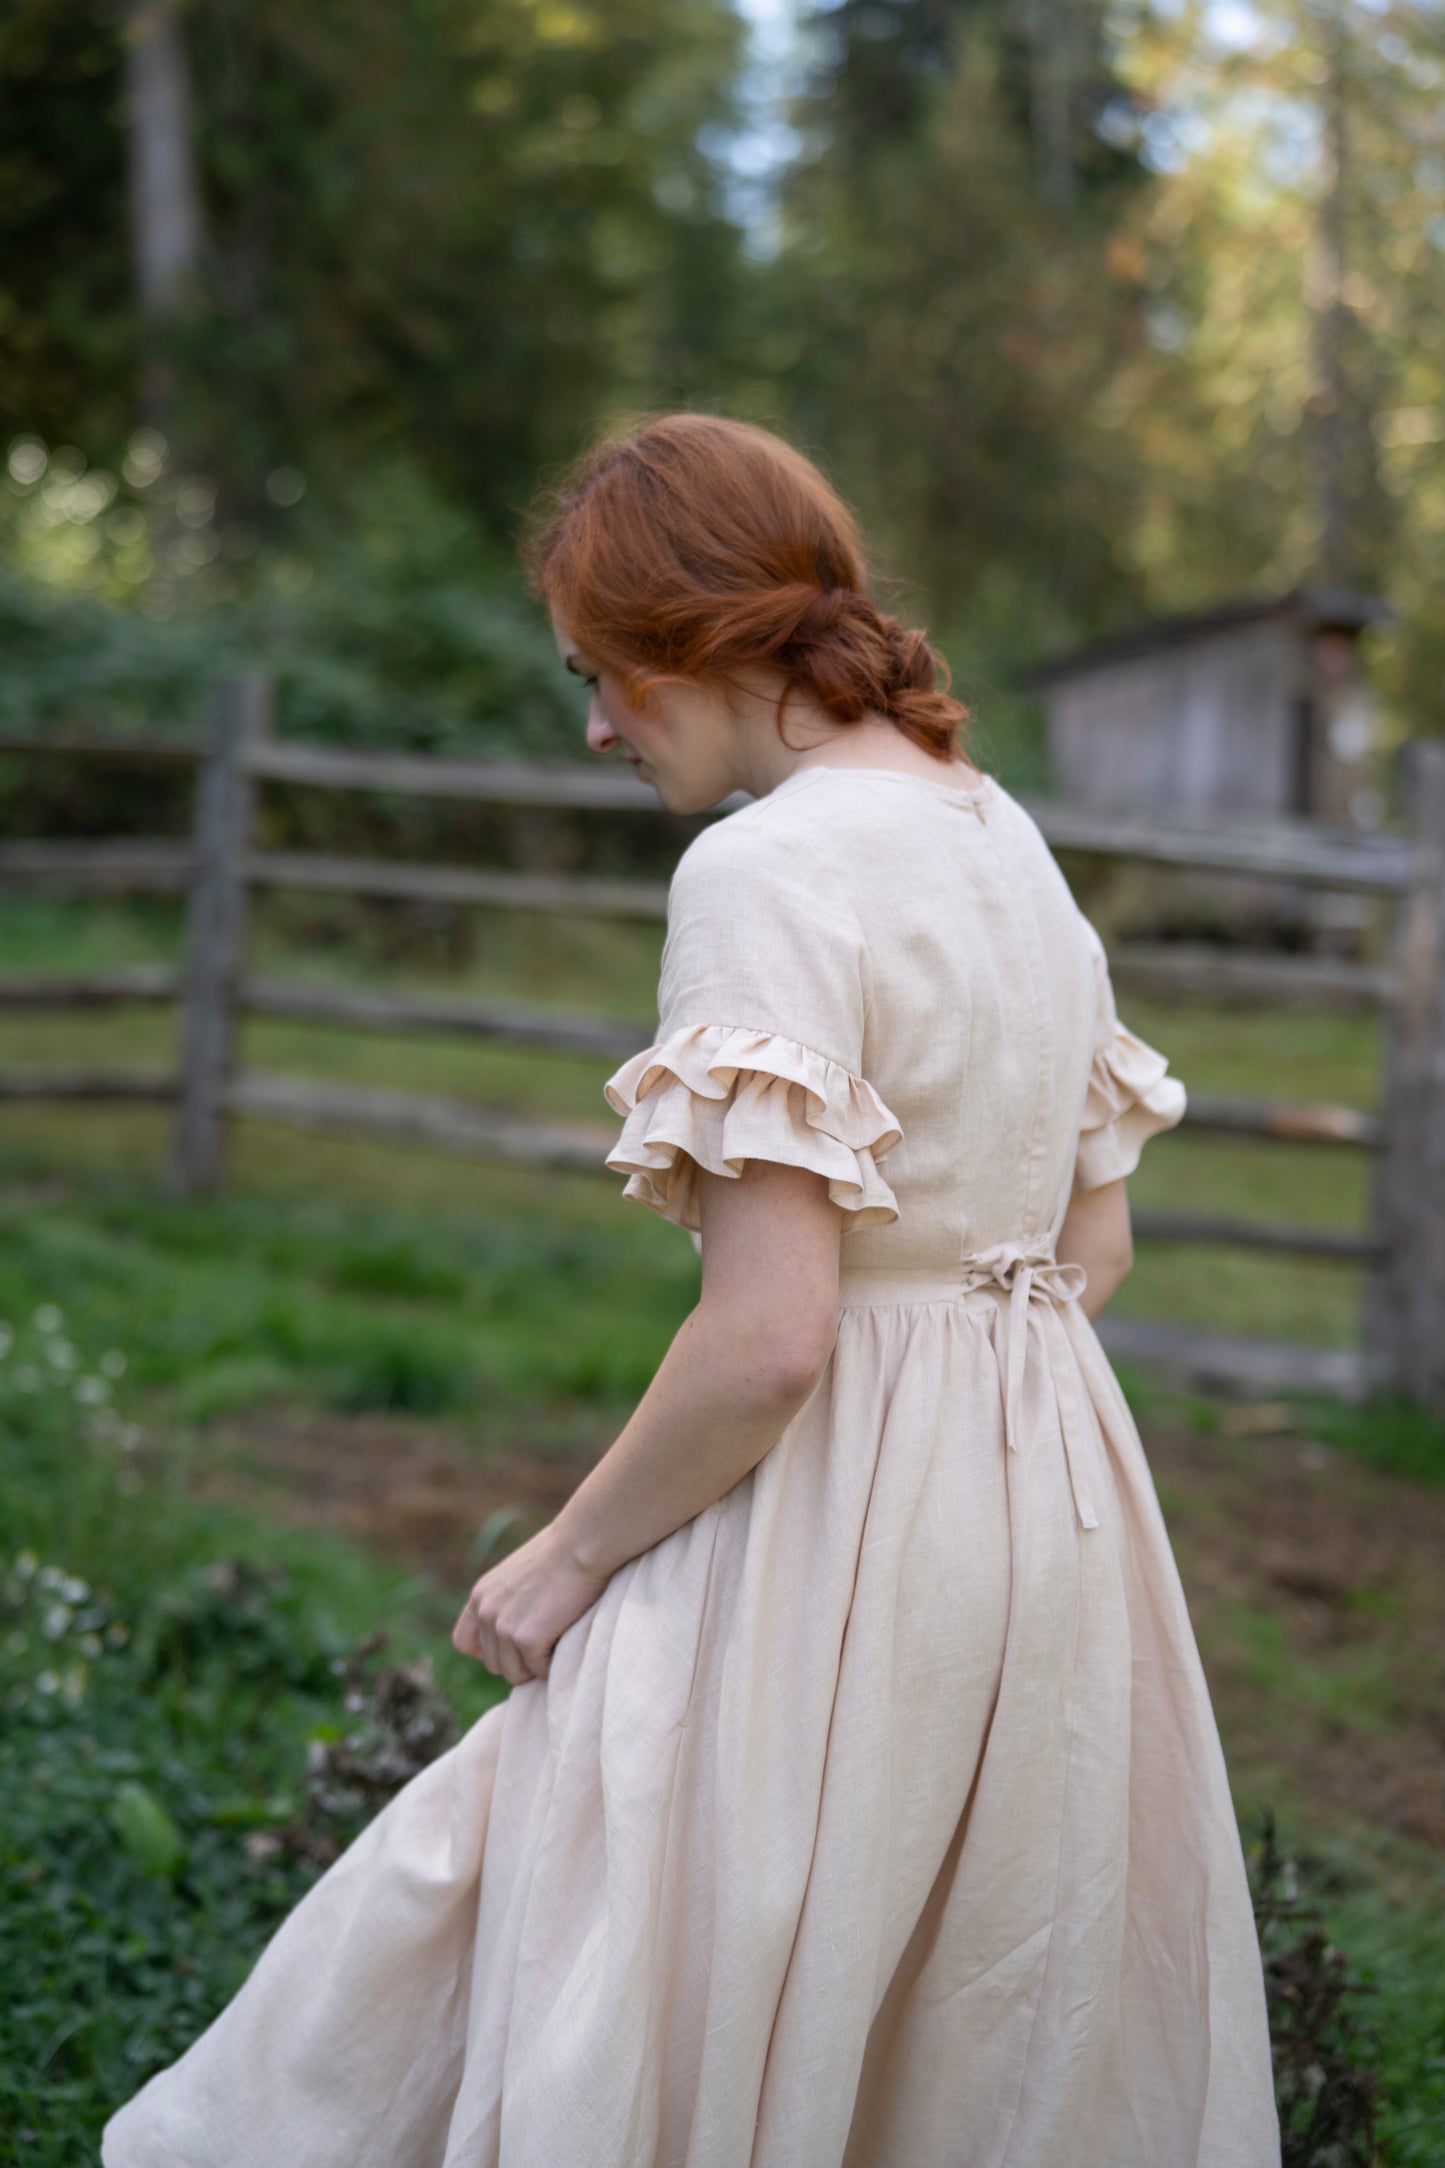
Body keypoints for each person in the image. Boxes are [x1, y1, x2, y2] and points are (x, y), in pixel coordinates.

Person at [102, 414, 1280, 2166]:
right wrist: (962, 1422)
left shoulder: (764, 871)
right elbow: (1089, 1251)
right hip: (1054, 1523)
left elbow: (771, 1339)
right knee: (959, 1992)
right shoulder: (1003, 842)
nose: (591, 725)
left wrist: (562, 1562)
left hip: (826, 1523)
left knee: (606, 1911)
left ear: (703, 637)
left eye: (602, 675)